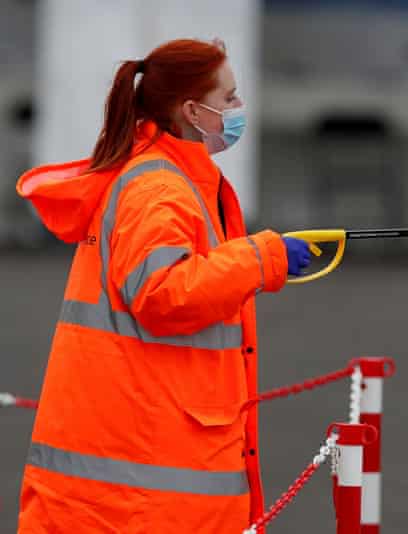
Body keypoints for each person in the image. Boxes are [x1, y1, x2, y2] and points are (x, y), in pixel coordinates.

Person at [15, 38, 312, 533]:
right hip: (143, 490)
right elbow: (163, 294)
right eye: (230, 97)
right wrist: (263, 257)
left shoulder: (170, 180)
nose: (240, 109)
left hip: (135, 472)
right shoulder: (159, 189)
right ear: (193, 110)